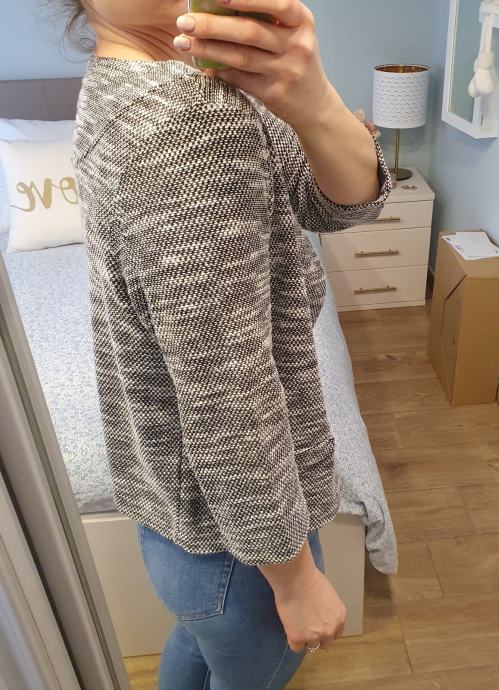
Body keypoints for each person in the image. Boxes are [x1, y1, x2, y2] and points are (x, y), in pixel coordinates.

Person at [67, 1, 392, 688]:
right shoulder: (190, 121)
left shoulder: (128, 78)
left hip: (181, 520)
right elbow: (228, 394)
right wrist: (296, 580)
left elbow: (340, 201)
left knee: (195, 646)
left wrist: (312, 99)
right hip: (241, 549)